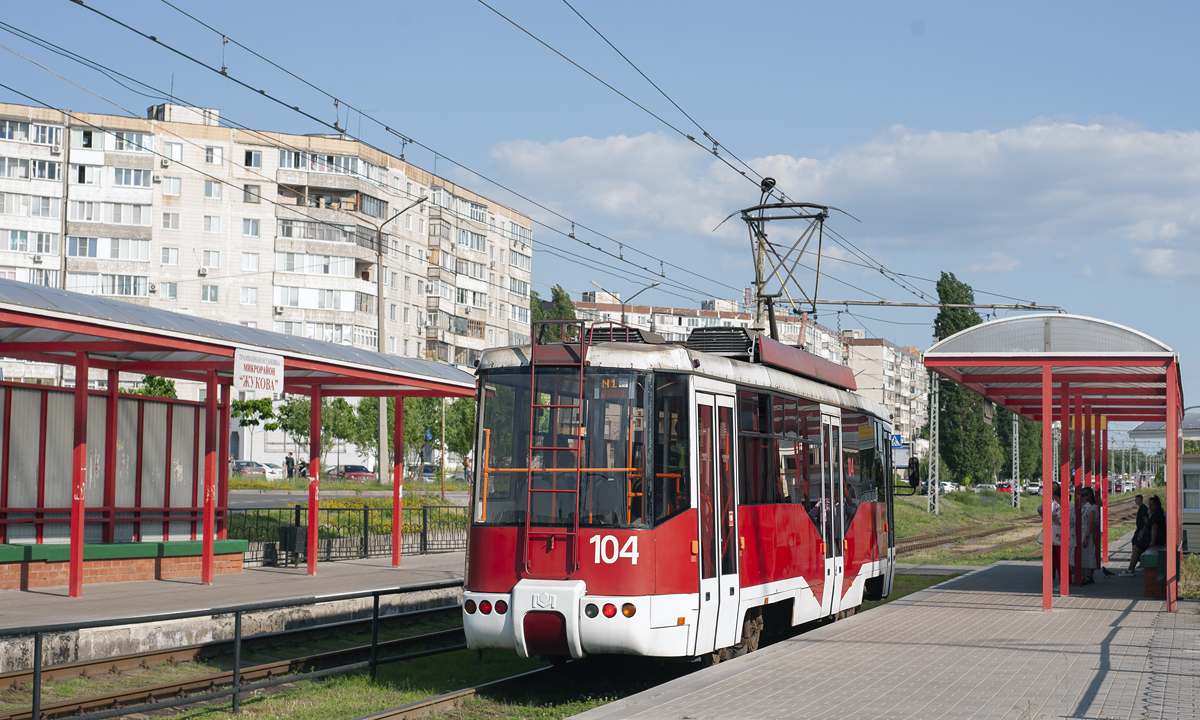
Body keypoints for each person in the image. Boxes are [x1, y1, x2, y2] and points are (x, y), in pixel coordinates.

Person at [1121, 495, 1165, 575]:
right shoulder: (1158, 514)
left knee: (1136, 548)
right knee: (1137, 546)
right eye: (1149, 504)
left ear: (1157, 505)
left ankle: (1130, 569)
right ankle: (1138, 566)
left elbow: (1154, 528)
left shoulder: (1156, 515)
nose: (1150, 506)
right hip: (1155, 539)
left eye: (1152, 505)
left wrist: (1152, 541)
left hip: (1154, 540)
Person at [1038, 483, 1064, 581]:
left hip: (1058, 531)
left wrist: (1051, 517)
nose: (1052, 490)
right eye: (1051, 488)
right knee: (1049, 552)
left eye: (1054, 488)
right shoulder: (1048, 501)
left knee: (1058, 554)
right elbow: (1039, 509)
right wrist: (1045, 518)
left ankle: (1060, 574)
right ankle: (1049, 573)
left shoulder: (1060, 502)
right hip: (1050, 528)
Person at [1078, 487, 1099, 584]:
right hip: (1078, 534)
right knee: (1080, 555)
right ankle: (1082, 576)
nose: (1080, 497)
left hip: (1086, 533)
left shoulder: (1091, 507)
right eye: (1079, 495)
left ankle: (1088, 576)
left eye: (1083, 495)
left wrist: (1088, 536)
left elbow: (1092, 523)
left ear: (1087, 496)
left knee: (1088, 555)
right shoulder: (1078, 507)